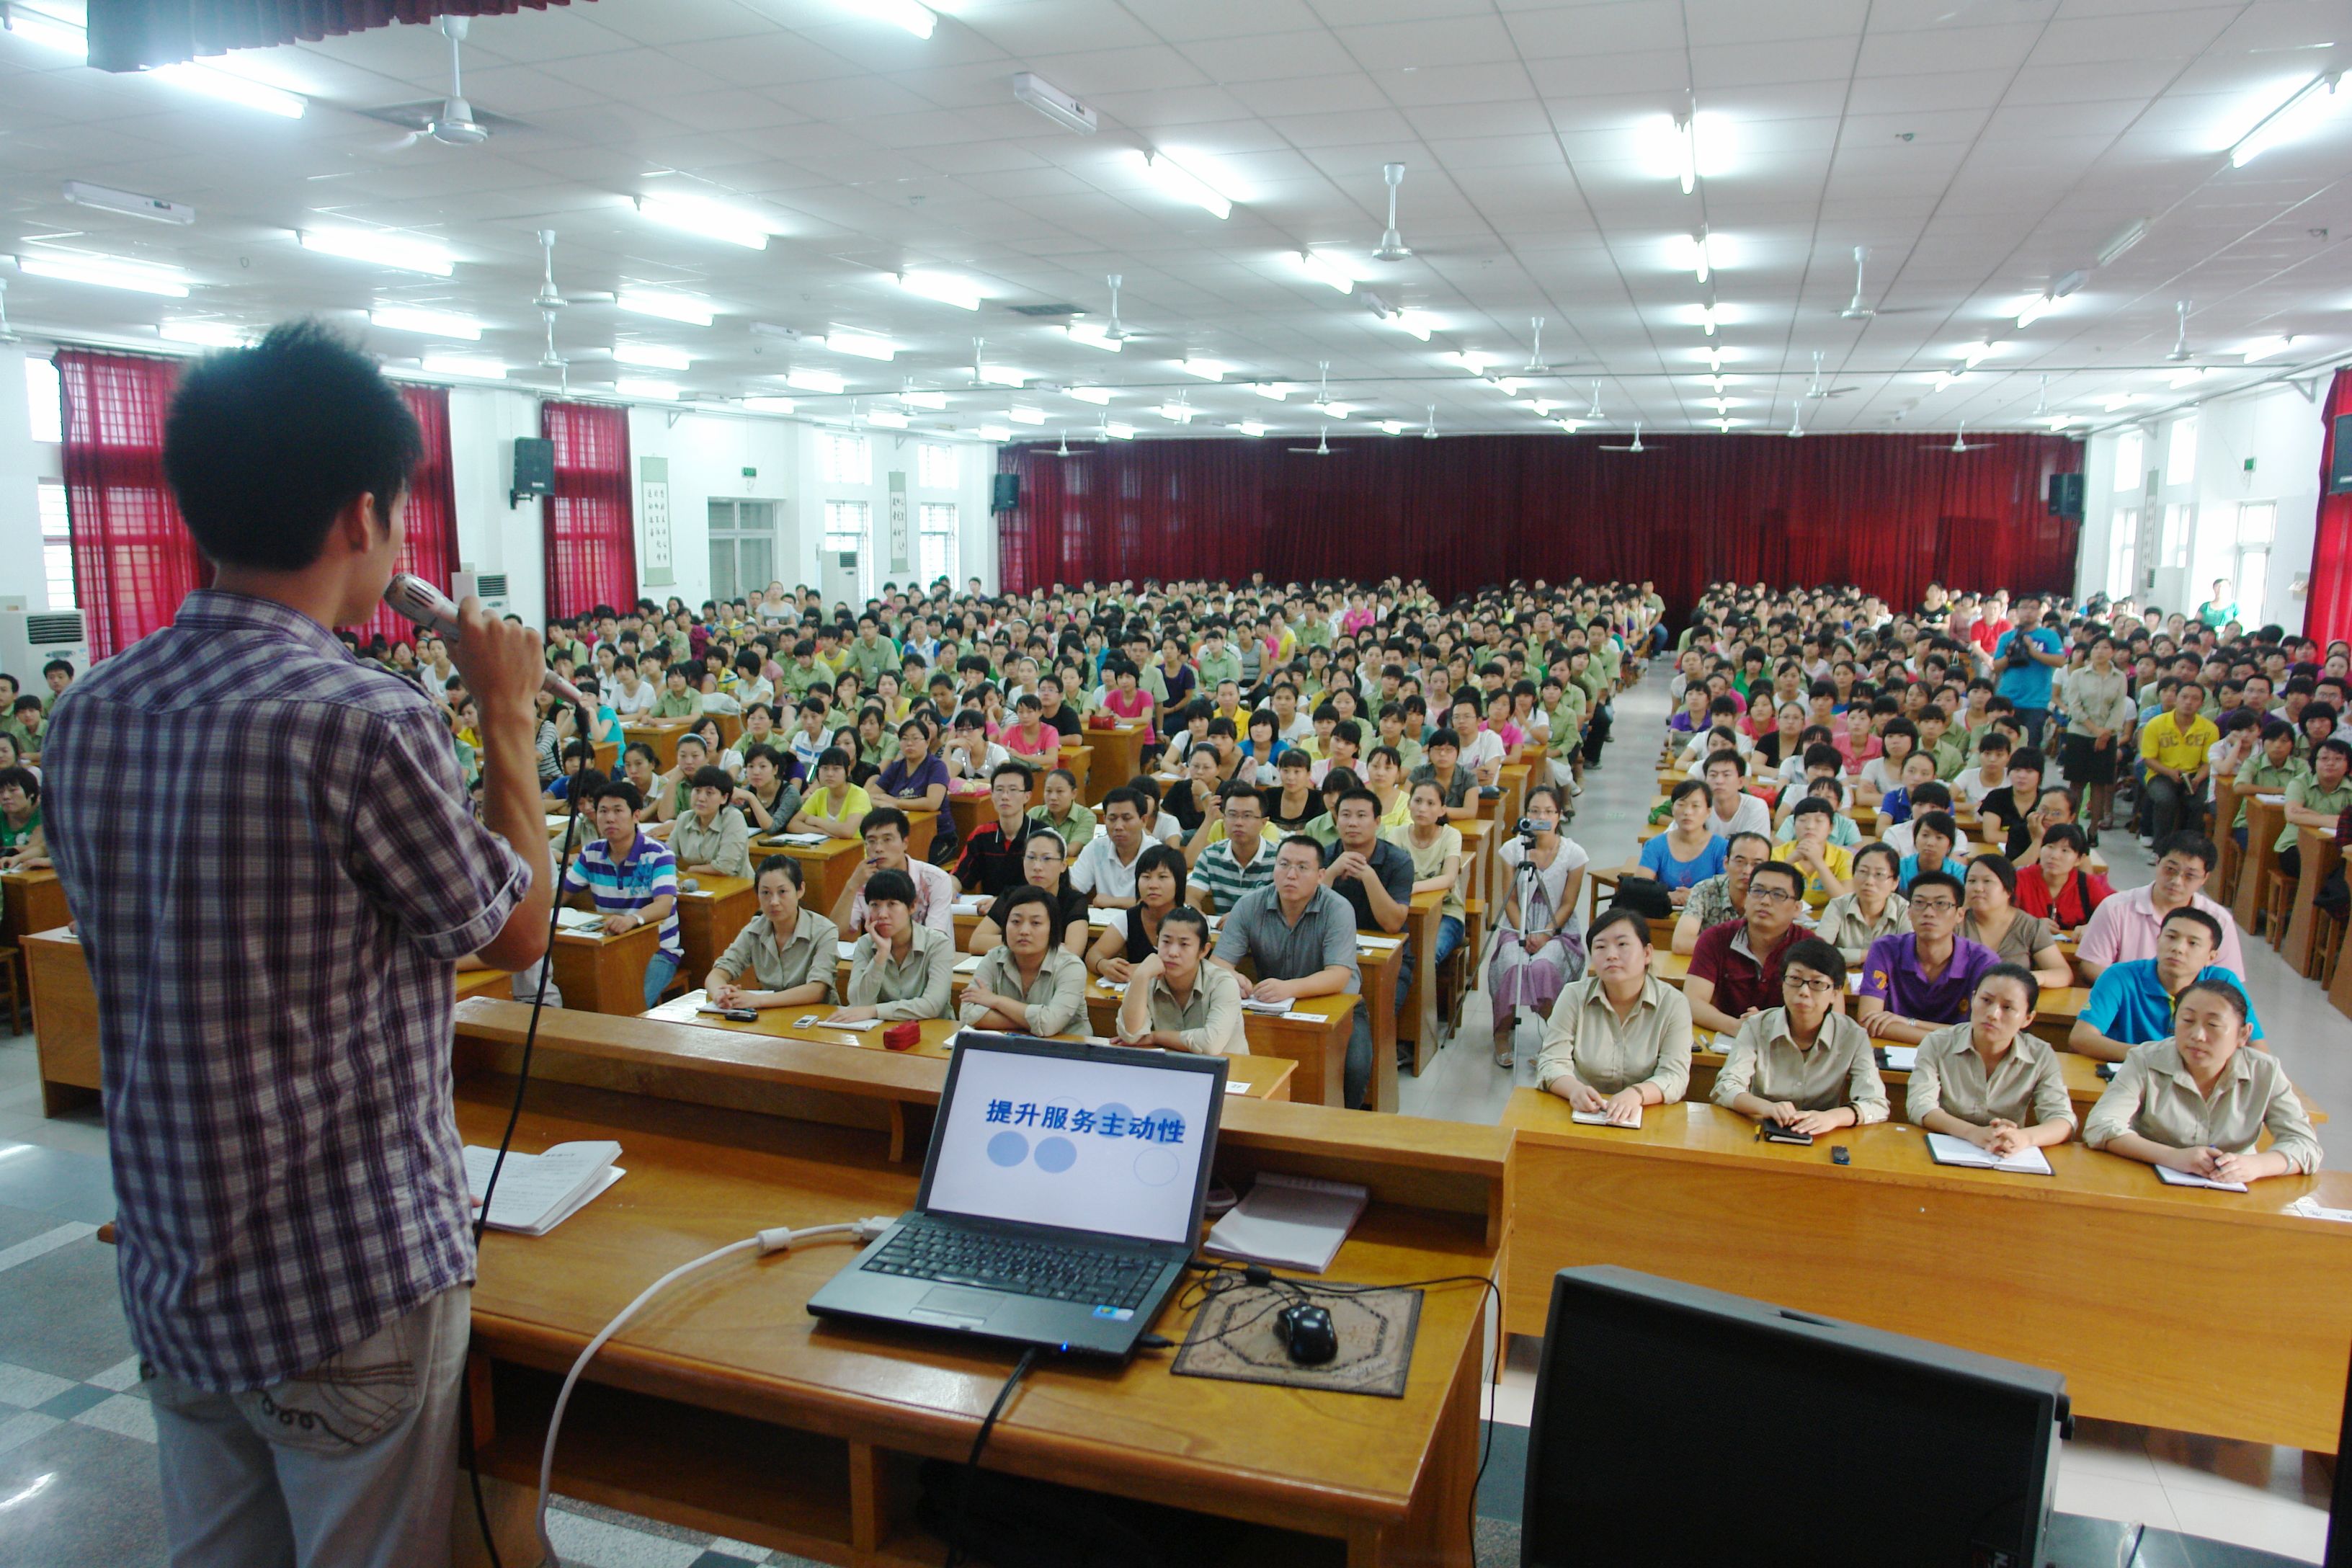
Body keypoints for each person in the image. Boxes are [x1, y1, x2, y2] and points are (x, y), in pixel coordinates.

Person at [45, 324, 553, 1567]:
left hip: (174, 1252)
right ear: (360, 518)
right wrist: (507, 711)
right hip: (346, 1278)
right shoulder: (364, 718)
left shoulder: (88, 710)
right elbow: (519, 930)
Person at [2083, 976, 2319, 1182]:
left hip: (2235, 1188)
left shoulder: (2265, 1071)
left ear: (2243, 1034)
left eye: (2213, 1025)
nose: (2197, 1035)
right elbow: (2100, 1126)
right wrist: (2173, 1157)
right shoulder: (2145, 1060)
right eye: (2187, 1021)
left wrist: (2256, 1166)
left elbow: (2305, 1145)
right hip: (2148, 1181)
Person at [1213, 835, 1373, 1109]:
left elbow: (1338, 975)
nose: (1291, 875)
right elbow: (1218, 963)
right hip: (1271, 1005)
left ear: (1321, 875)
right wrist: (1233, 977)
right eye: (1284, 864)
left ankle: (1342, 1128)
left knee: (1356, 1068)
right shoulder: (1250, 905)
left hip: (1336, 1005)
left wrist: (1289, 988)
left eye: (1302, 867)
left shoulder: (1337, 909)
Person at [1711, 937, 1890, 1133]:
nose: (1804, 992)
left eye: (1817, 983)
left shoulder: (1852, 1036)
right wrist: (1767, 1108)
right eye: (1795, 980)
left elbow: (1876, 1104)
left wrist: (1833, 1117)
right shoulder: (1756, 1026)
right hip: (1763, 1130)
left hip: (1822, 1135)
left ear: (1836, 993)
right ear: (1783, 984)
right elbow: (1725, 1088)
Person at [1536, 906, 1693, 1125]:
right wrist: (1575, 1091)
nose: (1611, 955)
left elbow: (1675, 1076)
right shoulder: (1573, 996)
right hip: (1581, 1113)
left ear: (1647, 953)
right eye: (1600, 947)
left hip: (1649, 1116)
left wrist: (1637, 1094)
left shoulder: (1673, 1004)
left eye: (1622, 944)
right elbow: (1551, 1061)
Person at [1906, 966, 2077, 1154]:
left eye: (2008, 1008)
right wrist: (1972, 1133)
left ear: (2028, 1018)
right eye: (1986, 1001)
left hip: (2005, 1154)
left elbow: (2062, 1120)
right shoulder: (1938, 1043)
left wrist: (2023, 1138)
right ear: (1973, 999)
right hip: (1944, 1146)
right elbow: (1920, 1105)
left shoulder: (2040, 1054)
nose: (1993, 1014)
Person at [2070, 906, 2261, 1061]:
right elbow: (2081, 1038)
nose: (2178, 948)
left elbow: (2258, 1049)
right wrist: (2157, 1057)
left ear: (2211, 957)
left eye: (2193, 943)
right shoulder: (2120, 976)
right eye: (2171, 937)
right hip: (2134, 1076)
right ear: (2158, 939)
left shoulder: (2224, 984)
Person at [1488, 786, 1590, 1066]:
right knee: (1513, 963)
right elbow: (1508, 899)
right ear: (1526, 815)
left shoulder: (1575, 854)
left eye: (1548, 811)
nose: (1541, 816)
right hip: (1517, 925)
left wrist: (1544, 934)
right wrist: (1524, 932)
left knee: (1543, 967)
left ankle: (1556, 1039)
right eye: (1535, 811)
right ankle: (1501, 1033)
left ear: (1559, 816)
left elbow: (1569, 903)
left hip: (1557, 929)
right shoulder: (1512, 849)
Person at [564, 780, 685, 1007]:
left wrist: (632, 919)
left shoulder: (659, 854)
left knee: (627, 1005)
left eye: (618, 811)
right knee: (578, 995)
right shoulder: (591, 853)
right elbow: (560, 895)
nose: (610, 818)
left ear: (636, 815)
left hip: (657, 952)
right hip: (610, 947)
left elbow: (664, 905)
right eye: (603, 811)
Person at [1855, 870, 2002, 1044]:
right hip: (1892, 1054)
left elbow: (1980, 1032)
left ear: (1960, 915)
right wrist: (1953, 1036)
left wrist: (1909, 1023)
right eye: (1919, 903)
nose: (1929, 913)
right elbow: (1867, 1020)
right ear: (1909, 912)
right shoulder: (1885, 949)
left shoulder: (1984, 962)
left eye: (1941, 904)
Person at [2074, 831, 2244, 981]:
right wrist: (2135, 993)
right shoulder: (2116, 908)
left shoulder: (2219, 920)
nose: (2177, 881)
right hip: (2129, 1006)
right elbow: (2091, 966)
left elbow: (2227, 980)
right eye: (2170, 869)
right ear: (2157, 861)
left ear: (2205, 878)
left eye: (2190, 876)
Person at [1683, 859, 1809, 1037]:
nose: (1765, 901)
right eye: (1758, 891)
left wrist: (1773, 1025)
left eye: (1778, 895)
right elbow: (1693, 1001)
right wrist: (1737, 1027)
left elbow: (1830, 1014)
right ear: (1747, 897)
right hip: (1727, 1042)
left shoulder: (1812, 949)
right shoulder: (1715, 938)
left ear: (1797, 908)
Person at [705, 855, 838, 1010]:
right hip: (771, 1016)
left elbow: (817, 990)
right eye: (766, 893)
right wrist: (720, 994)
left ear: (800, 890)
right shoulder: (755, 929)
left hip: (817, 1017)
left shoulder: (824, 931)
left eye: (782, 892)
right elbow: (717, 974)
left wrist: (759, 1000)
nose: (774, 902)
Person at [1116, 904, 1248, 1056]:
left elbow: (1211, 1045)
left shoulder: (1222, 983)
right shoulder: (1146, 977)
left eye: (1184, 944)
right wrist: (1140, 977)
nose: (1172, 953)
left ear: (1204, 950)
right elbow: (1131, 1036)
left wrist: (1155, 1037)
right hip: (1169, 1070)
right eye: (1166, 942)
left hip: (1229, 1073)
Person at [959, 883, 1088, 1036]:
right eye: (1016, 922)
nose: (1024, 931)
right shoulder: (994, 958)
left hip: (1066, 1051)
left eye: (1036, 923)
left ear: (1052, 929)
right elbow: (967, 1014)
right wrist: (1032, 1022)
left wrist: (996, 1001)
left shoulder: (1071, 967)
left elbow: (1049, 1025)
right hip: (1008, 1048)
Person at [831, 868, 956, 1023]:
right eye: (875, 905)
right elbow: (858, 1002)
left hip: (931, 1032)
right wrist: (881, 955)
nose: (882, 914)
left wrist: (874, 1011)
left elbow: (932, 1005)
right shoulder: (865, 944)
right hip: (880, 1032)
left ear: (912, 906)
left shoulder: (938, 944)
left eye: (892, 904)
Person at [1383, 778, 1466, 986]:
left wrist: (1410, 888)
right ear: (1409, 804)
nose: (1422, 808)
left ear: (1442, 809)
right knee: (1389, 956)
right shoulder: (1397, 834)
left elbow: (1449, 878)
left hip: (1447, 913)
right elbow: (1387, 875)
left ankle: (1423, 1014)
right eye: (1417, 801)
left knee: (1428, 955)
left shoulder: (1451, 835)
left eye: (1430, 804)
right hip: (1404, 911)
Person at [833, 806, 956, 937]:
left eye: (887, 839)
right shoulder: (862, 880)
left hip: (927, 955)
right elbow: (835, 932)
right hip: (880, 955)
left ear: (905, 843)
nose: (879, 848)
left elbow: (936, 938)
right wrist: (852, 885)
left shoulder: (936, 880)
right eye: (872, 841)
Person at [1959, 854, 2073, 991]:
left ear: (2008, 890)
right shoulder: (1956, 922)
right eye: (1972, 881)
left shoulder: (2029, 926)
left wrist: (2030, 979)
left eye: (1987, 881)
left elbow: (2063, 973)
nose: (1978, 888)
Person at [970, 828, 1090, 956]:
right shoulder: (1011, 896)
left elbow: (1073, 951)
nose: (1037, 867)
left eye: (1047, 859)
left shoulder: (1074, 901)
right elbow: (976, 943)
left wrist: (1020, 942)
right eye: (1031, 857)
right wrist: (1032, 943)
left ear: (1063, 865)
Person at [1087, 843, 1190, 982]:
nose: (1153, 885)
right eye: (1146, 877)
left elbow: (1192, 968)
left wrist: (1143, 970)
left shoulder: (1192, 921)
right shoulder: (1129, 918)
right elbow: (1094, 954)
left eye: (1162, 877)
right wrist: (1103, 965)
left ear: (1179, 883)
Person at [2137, 678, 2216, 847]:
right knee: (2165, 800)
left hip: (2195, 775)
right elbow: (2149, 759)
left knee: (2200, 802)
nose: (2189, 702)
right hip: (2161, 773)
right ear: (2176, 698)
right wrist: (2170, 773)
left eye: (2195, 699)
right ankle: (2160, 848)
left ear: (2201, 704)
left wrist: (2198, 779)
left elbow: (2208, 762)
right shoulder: (2156, 724)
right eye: (2184, 697)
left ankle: (2189, 847)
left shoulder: (2210, 728)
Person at [1626, 778, 1727, 906]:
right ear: (1673, 809)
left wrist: (1695, 895)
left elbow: (1727, 889)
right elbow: (1640, 886)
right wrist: (1668, 896)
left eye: (1695, 806)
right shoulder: (1655, 845)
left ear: (1708, 812)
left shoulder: (1722, 847)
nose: (1688, 812)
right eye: (1681, 804)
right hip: (1663, 913)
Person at [1670, 830, 1769, 955]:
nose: (1747, 871)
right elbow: (1681, 943)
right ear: (1726, 863)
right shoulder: (1705, 890)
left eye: (1756, 864)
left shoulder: (1773, 898)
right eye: (1740, 861)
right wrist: (1738, 950)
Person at [1189, 782, 1279, 914]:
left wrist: (1239, 919)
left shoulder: (1280, 858)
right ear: (1224, 819)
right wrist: (1196, 913)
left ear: (1263, 822)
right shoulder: (1211, 855)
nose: (1238, 823)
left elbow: (1286, 907)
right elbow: (1191, 896)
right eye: (1232, 815)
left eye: (1247, 816)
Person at [1990, 592, 2064, 747]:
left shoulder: (2049, 636)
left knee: (2030, 746)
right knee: (2003, 745)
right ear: (2016, 611)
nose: (2028, 611)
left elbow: (2060, 661)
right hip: (2007, 698)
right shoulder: (2007, 637)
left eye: (2033, 608)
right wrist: (2010, 654)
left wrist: (2032, 651)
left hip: (2036, 702)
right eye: (2024, 608)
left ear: (2039, 612)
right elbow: (1996, 667)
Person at [953, 761, 1035, 896]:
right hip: (989, 913)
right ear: (991, 795)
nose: (1004, 796)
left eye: (1013, 790)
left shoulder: (1042, 835)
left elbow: (1046, 889)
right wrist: (949, 889)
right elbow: (959, 876)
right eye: (999, 790)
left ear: (1027, 796)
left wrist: (1002, 903)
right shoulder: (982, 835)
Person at [2013, 822, 2111, 930]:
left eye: (2065, 850)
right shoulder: (2020, 879)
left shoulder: (2087, 885)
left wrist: (2090, 928)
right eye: (2050, 847)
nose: (2054, 856)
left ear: (2079, 859)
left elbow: (2111, 919)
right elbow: (1999, 917)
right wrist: (2030, 925)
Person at [2278, 737, 2352, 877]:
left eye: (2338, 759)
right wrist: (2342, 822)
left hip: (2338, 849)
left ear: (2348, 765)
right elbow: (2292, 815)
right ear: (2314, 762)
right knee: (2319, 868)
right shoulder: (2300, 782)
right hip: (2296, 846)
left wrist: (2312, 815)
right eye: (2324, 758)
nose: (2330, 763)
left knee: (2340, 869)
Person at [1069, 786, 1151, 909]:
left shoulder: (1157, 853)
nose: (1118, 826)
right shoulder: (1095, 849)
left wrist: (1112, 901)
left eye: (1126, 818)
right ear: (1104, 819)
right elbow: (1073, 889)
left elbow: (1160, 903)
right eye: (1112, 819)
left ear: (1143, 820)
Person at [670, 765, 754, 879]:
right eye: (697, 791)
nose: (701, 798)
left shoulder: (733, 818)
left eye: (709, 793)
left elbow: (725, 867)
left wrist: (692, 870)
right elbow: (666, 856)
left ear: (724, 798)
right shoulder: (684, 819)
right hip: (700, 885)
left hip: (736, 889)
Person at [1770, 796, 1852, 904]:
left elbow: (1845, 903)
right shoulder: (1777, 853)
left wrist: (1818, 863)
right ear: (1794, 826)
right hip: (1786, 916)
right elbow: (1769, 893)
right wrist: (1790, 861)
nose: (1810, 826)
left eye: (1819, 821)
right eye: (1803, 820)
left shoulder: (1844, 857)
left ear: (1830, 828)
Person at [783, 747, 865, 839]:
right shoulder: (819, 794)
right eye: (825, 768)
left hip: (854, 851)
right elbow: (793, 825)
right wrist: (821, 832)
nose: (829, 774)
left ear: (848, 771)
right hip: (826, 850)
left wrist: (816, 821)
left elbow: (847, 831)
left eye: (836, 769)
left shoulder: (859, 795)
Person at [1699, 751, 1772, 841]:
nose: (1719, 781)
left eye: (1726, 775)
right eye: (1713, 775)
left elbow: (1753, 851)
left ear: (1740, 782)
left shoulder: (1756, 807)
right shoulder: (1697, 806)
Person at [1026, 765, 1095, 856]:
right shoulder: (1034, 813)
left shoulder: (1086, 816)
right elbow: (1024, 846)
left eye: (1060, 791)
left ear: (1074, 794)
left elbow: (1071, 851)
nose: (1053, 797)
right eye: (1049, 791)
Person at [0, 766, 48, 870]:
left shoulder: (45, 813)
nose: (5, 797)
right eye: (1, 792)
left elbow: (38, 848)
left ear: (31, 793)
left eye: (13, 790)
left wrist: (15, 853)